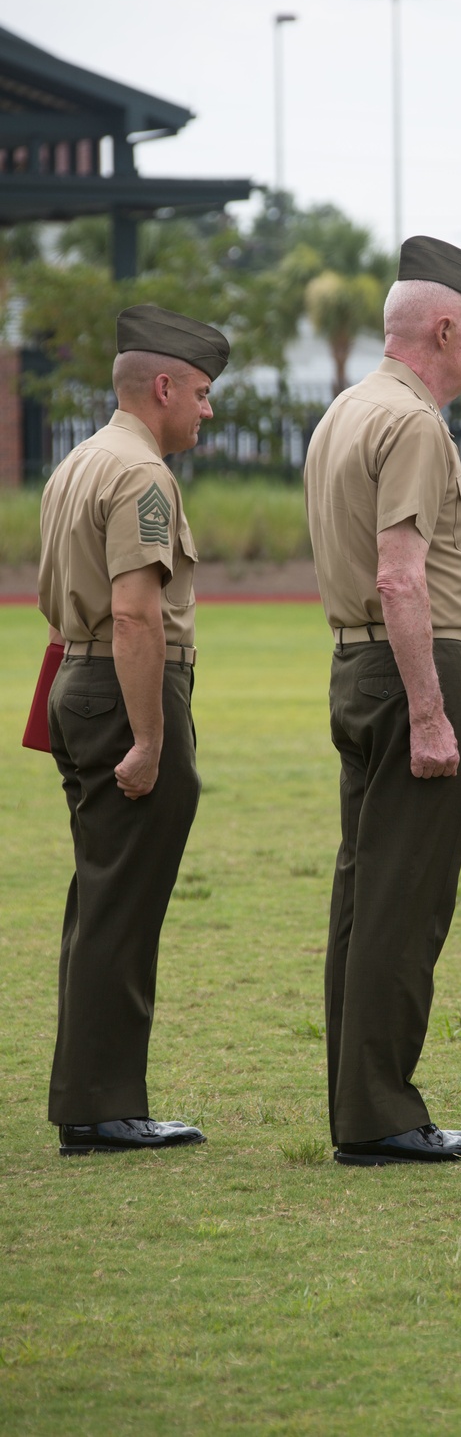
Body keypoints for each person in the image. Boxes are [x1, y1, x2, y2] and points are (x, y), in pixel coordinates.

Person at [303, 236, 461, 1167]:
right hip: (411, 666)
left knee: (361, 893)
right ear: (445, 326)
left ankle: (359, 1102)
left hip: (355, 666)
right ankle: (384, 1115)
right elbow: (401, 577)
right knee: (405, 898)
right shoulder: (414, 423)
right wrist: (431, 711)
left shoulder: (347, 409)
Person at [38, 303, 228, 1156]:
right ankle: (103, 1108)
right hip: (121, 690)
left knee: (99, 898)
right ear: (163, 387)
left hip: (75, 679)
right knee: (121, 905)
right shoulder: (142, 474)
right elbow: (135, 615)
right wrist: (149, 740)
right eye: (201, 391)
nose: (207, 408)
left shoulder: (79, 460)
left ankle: (91, 1096)